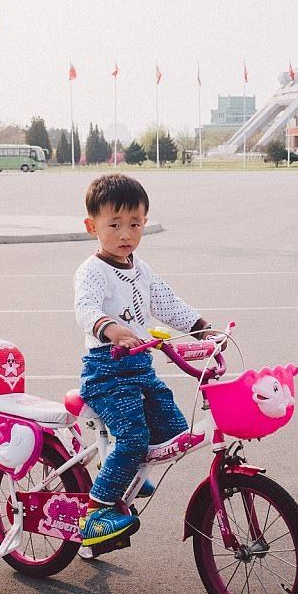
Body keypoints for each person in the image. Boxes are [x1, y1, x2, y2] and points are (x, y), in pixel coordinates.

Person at [73, 174, 215, 546]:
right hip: (107, 374)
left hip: (139, 370)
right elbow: (85, 308)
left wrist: (202, 328)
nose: (125, 234)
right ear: (93, 227)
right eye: (114, 225)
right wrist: (111, 329)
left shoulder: (140, 268)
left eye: (134, 224)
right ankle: (96, 509)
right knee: (134, 436)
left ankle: (125, 469)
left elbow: (166, 303)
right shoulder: (92, 271)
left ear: (144, 225)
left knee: (174, 429)